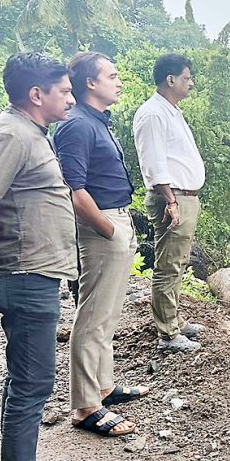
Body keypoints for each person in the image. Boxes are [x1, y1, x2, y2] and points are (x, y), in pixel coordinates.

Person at [0, 52, 89, 461]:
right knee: (32, 384)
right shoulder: (12, 133)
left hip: (33, 272)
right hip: (24, 274)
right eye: (65, 91)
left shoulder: (30, 133)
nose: (72, 99)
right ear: (37, 95)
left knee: (23, 381)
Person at [53, 52, 147, 437]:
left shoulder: (96, 121)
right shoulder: (75, 125)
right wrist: (109, 229)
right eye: (112, 75)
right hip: (101, 225)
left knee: (106, 315)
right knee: (92, 316)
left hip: (115, 219)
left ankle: (103, 386)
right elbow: (74, 189)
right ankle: (85, 406)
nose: (119, 80)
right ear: (90, 83)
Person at [132, 53, 205, 352]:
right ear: (171, 79)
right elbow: (153, 161)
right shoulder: (152, 113)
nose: (191, 83)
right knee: (168, 265)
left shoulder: (171, 111)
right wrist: (170, 200)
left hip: (184, 196)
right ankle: (168, 334)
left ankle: (174, 321)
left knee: (178, 263)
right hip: (172, 197)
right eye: (187, 78)